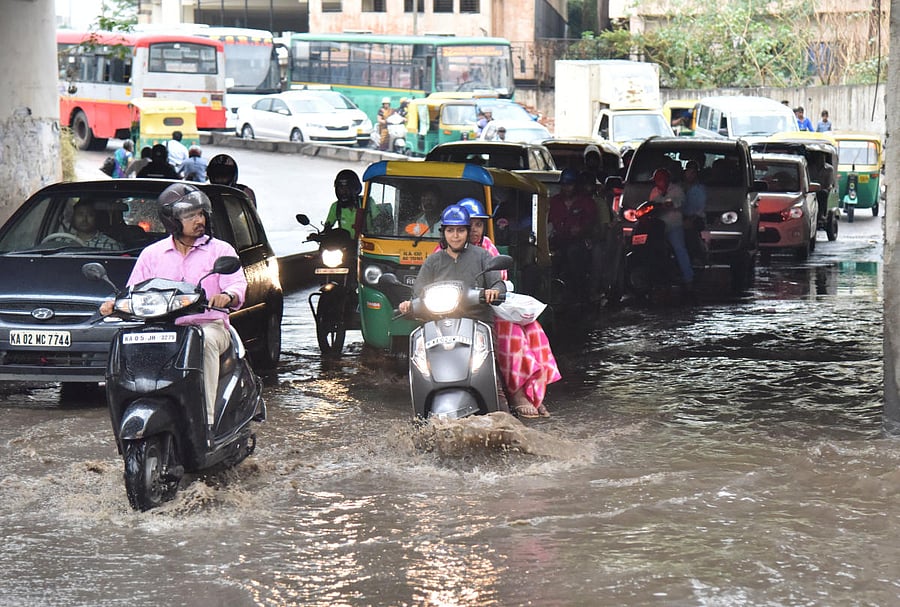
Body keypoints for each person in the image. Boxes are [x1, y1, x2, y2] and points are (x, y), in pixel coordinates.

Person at [98, 183, 247, 438]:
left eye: (200, 214)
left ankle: (207, 423)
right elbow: (134, 290)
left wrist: (227, 296)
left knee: (206, 342)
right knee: (125, 343)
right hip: (162, 329)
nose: (198, 220)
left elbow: (237, 284)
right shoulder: (152, 254)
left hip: (206, 325)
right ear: (172, 221)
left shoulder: (220, 250)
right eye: (190, 216)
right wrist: (115, 303)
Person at [458, 198, 559, 418]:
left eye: (478, 224)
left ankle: (526, 392)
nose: (473, 230)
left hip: (486, 307)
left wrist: (493, 289)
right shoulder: (444, 250)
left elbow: (499, 278)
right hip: (456, 310)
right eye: (469, 225)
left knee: (528, 330)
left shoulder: (486, 248)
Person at [548, 168, 597, 299]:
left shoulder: (586, 203)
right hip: (556, 241)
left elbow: (591, 223)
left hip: (579, 243)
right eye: (564, 184)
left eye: (569, 184)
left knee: (574, 256)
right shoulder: (554, 202)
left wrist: (581, 229)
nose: (566, 188)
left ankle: (579, 295)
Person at [648, 167, 693, 287]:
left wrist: (670, 204)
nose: (658, 183)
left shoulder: (676, 190)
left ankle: (688, 278)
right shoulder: (654, 191)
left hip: (674, 226)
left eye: (660, 180)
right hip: (658, 227)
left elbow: (681, 202)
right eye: (656, 180)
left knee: (679, 249)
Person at [681, 160, 708, 264]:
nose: (690, 175)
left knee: (690, 232)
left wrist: (690, 220)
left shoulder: (699, 189)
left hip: (696, 219)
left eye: (693, 173)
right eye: (688, 172)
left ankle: (696, 256)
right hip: (679, 218)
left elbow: (699, 210)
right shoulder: (678, 187)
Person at [325, 169, 364, 240]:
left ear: (355, 189)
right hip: (345, 246)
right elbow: (328, 227)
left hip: (365, 245)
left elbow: (379, 221)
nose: (343, 192)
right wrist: (320, 235)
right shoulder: (336, 207)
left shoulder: (366, 203)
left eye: (347, 188)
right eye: (340, 189)